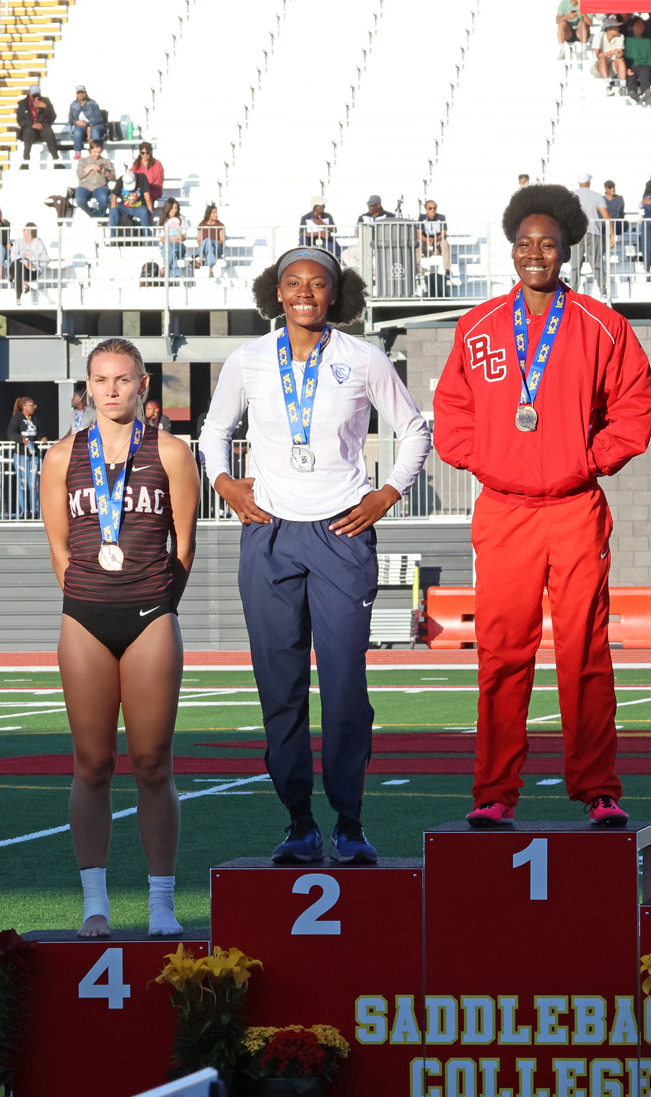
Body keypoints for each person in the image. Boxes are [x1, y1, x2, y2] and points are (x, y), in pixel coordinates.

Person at [434, 185, 651, 830]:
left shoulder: (600, 324)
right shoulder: (477, 327)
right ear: (512, 249)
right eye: (525, 243)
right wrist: (484, 460)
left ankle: (597, 789)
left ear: (566, 251)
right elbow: (451, 412)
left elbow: (637, 405)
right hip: (503, 509)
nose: (535, 253)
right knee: (502, 653)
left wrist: (588, 461)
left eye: (548, 244)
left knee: (584, 651)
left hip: (573, 506)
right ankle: (495, 791)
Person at [202, 246, 430, 862]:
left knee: (346, 687)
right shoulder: (249, 360)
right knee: (280, 686)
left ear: (335, 293)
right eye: (294, 283)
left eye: (318, 283)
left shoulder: (363, 358)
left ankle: (350, 822)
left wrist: (387, 493)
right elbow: (213, 431)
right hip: (269, 533)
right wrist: (224, 483)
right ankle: (299, 821)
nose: (306, 292)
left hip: (342, 533)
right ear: (277, 292)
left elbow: (414, 429)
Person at [40, 340, 199, 934]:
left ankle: (161, 902)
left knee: (154, 763)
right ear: (85, 388)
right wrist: (89, 594)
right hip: (84, 617)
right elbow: (58, 549)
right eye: (100, 380)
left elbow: (183, 546)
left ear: (143, 387)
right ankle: (95, 901)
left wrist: (156, 603)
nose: (111, 390)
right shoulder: (60, 458)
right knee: (92, 763)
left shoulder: (173, 453)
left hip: (150, 615)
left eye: (122, 379)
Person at [5, 396, 48, 518]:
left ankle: (34, 510)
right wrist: (22, 439)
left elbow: (39, 433)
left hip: (33, 455)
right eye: (31, 405)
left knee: (33, 483)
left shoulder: (35, 418)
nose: (34, 407)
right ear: (24, 406)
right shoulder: (16, 418)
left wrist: (42, 438)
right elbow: (11, 434)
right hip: (20, 455)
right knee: (22, 483)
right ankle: (24, 510)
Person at [572, 173, 609, 293]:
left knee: (575, 264)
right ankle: (603, 290)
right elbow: (606, 216)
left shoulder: (572, 196)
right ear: (589, 182)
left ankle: (573, 291)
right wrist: (611, 235)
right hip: (593, 231)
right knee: (596, 263)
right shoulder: (596, 196)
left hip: (576, 233)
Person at [16, 85, 58, 165]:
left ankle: (56, 159)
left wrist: (46, 107)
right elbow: (20, 120)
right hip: (30, 129)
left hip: (43, 127)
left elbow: (53, 117)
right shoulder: (22, 104)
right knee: (28, 131)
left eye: (37, 95)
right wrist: (32, 124)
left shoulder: (46, 101)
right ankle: (25, 160)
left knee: (49, 132)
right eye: (34, 95)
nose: (36, 97)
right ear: (29, 94)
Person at [10, 221, 50, 300]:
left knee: (20, 266)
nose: (23, 231)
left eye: (24, 229)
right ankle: (25, 284)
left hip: (32, 270)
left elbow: (45, 259)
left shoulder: (38, 243)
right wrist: (25, 261)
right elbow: (13, 255)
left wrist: (32, 262)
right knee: (19, 264)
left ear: (29, 231)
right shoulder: (19, 242)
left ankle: (19, 295)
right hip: (19, 268)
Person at [75, 143, 115, 218]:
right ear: (90, 150)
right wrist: (90, 167)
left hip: (101, 186)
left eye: (99, 152)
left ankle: (102, 215)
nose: (97, 154)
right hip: (84, 186)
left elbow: (113, 178)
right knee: (79, 200)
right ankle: (94, 214)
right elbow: (79, 175)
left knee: (103, 198)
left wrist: (105, 171)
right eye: (95, 152)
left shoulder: (106, 161)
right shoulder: (82, 161)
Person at [622, 18, 651, 102]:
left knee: (645, 73)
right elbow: (625, 56)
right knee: (631, 75)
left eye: (642, 25)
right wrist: (627, 67)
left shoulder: (648, 41)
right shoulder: (627, 41)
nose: (640, 27)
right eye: (637, 25)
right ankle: (632, 92)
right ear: (632, 27)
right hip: (632, 65)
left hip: (645, 65)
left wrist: (650, 65)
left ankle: (645, 92)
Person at [417, 200, 447, 296]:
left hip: (436, 242)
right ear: (426, 209)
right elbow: (418, 234)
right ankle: (417, 268)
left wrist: (434, 239)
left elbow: (444, 233)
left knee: (445, 242)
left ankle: (447, 268)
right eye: (430, 208)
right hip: (426, 243)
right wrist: (427, 240)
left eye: (434, 208)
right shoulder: (422, 218)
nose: (432, 210)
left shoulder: (441, 217)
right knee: (418, 243)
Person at [68, 85, 105, 156]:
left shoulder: (92, 103)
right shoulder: (73, 104)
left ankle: (96, 152)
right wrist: (76, 122)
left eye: (82, 92)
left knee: (94, 131)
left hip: (95, 125)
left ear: (86, 93)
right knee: (77, 132)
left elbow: (99, 118)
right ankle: (78, 152)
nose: (80, 94)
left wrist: (88, 124)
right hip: (81, 126)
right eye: (78, 93)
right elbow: (70, 120)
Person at [157, 198, 187, 276]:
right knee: (169, 249)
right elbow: (162, 239)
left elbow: (185, 236)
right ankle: (174, 274)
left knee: (166, 248)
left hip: (179, 246)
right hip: (169, 246)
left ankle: (165, 267)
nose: (174, 210)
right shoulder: (162, 220)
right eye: (172, 208)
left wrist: (180, 238)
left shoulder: (181, 219)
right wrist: (171, 239)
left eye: (176, 208)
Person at [194, 203, 226, 274]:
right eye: (214, 213)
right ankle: (211, 269)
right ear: (209, 214)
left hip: (217, 248)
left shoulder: (220, 225)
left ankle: (200, 258)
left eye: (216, 213)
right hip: (205, 247)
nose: (216, 215)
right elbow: (198, 240)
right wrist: (206, 243)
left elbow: (221, 240)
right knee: (208, 244)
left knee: (208, 241)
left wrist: (211, 241)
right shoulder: (202, 224)